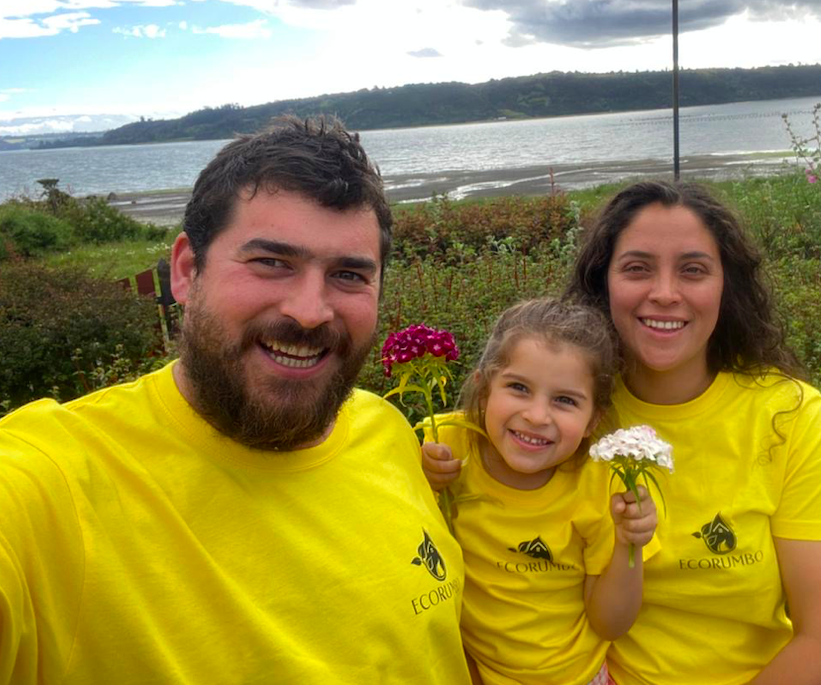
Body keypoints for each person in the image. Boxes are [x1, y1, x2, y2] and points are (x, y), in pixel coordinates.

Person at [0, 117, 471, 685]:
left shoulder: (386, 427)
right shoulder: (52, 485)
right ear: (186, 270)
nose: (310, 310)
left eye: (348, 275)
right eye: (272, 262)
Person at [565, 179, 821, 685]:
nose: (664, 294)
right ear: (604, 283)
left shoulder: (791, 416)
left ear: (728, 286)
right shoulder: (568, 416)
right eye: (637, 268)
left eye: (693, 270)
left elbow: (816, 635)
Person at [421, 298, 659, 685]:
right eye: (518, 387)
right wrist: (423, 478)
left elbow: (610, 623)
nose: (536, 415)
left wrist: (629, 543)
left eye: (565, 400)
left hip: (575, 677)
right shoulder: (448, 442)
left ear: (592, 421)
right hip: (470, 670)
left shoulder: (602, 482)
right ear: (483, 391)